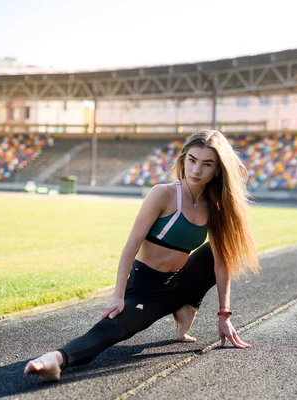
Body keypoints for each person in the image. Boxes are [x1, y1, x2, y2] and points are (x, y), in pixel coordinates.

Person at [24, 129, 260, 381]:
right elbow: (131, 245)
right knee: (115, 329)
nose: (196, 170)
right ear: (183, 159)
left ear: (217, 171)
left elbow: (222, 262)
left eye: (206, 164)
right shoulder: (164, 194)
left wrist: (224, 315)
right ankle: (55, 360)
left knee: (221, 248)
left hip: (178, 283)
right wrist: (118, 295)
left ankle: (187, 307)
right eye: (192, 160)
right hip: (145, 288)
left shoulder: (214, 207)